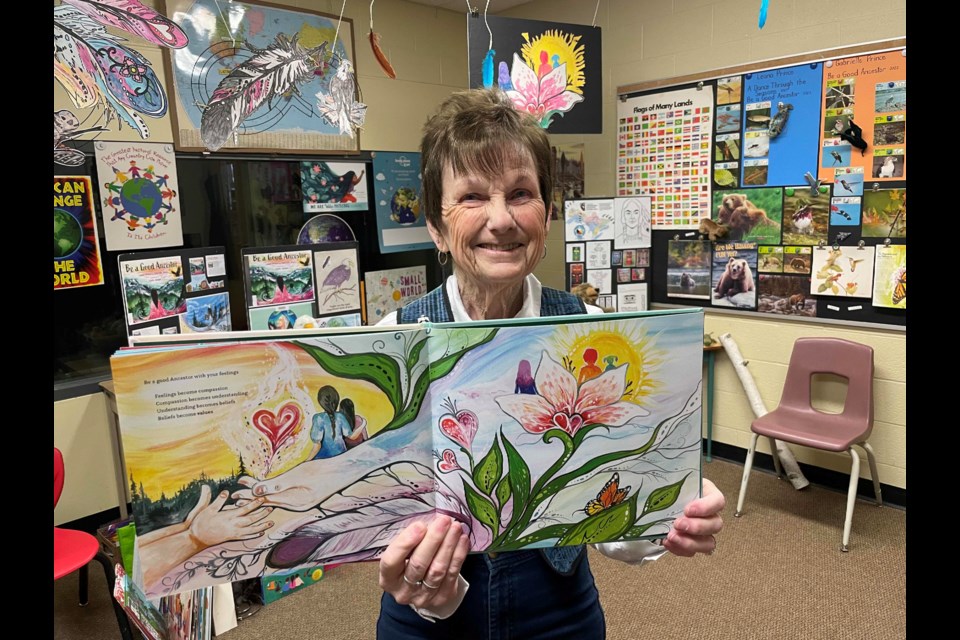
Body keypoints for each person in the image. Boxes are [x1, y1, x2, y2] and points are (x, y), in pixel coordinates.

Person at [372, 88, 725, 639]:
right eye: (470, 197)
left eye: (521, 193)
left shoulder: (589, 331)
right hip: (426, 610)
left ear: (548, 214)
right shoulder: (395, 345)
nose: (501, 219)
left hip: (558, 607)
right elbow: (379, 512)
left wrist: (668, 518)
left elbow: (613, 509)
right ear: (436, 228)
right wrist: (421, 584)